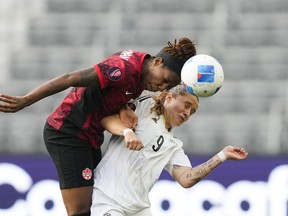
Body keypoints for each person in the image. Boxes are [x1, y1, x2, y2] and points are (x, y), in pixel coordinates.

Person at [0, 37, 197, 216]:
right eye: (164, 80)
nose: (162, 88)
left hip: (90, 136)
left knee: (98, 203)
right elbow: (70, 78)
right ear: (157, 62)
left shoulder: (141, 78)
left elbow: (112, 93)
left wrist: (122, 109)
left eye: (167, 86)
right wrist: (25, 100)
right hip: (67, 131)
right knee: (80, 210)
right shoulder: (123, 68)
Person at [92, 85, 248, 216]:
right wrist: (126, 132)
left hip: (138, 209)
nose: (187, 113)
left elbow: (187, 178)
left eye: (192, 111)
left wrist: (223, 155)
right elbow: (104, 118)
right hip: (109, 198)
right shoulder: (145, 107)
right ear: (168, 98)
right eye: (186, 105)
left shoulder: (173, 145)